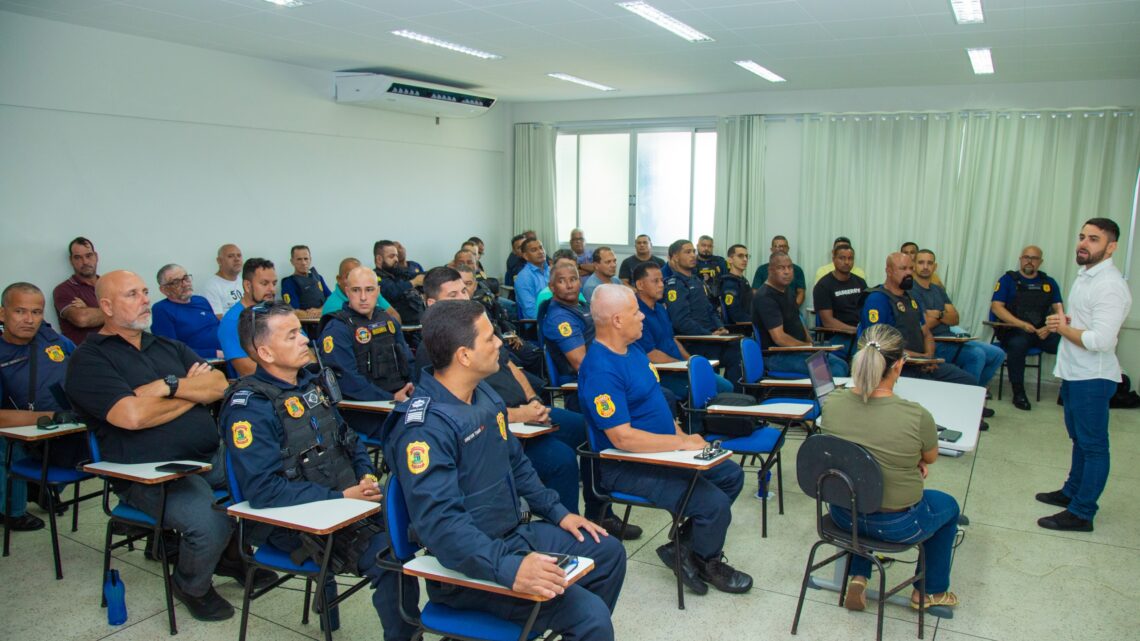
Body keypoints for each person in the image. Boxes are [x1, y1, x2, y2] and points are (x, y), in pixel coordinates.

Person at [383, 299, 626, 640]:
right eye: (489, 338)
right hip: (468, 567)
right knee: (591, 617)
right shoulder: (424, 429)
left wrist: (559, 514)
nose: (500, 342)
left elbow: (516, 462)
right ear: (464, 356)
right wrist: (510, 568)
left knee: (608, 551)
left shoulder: (481, 394)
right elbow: (443, 527)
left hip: (512, 535)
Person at [65, 270, 273, 622]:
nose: (145, 299)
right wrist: (190, 395)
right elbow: (131, 416)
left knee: (269, 475)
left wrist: (166, 386)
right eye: (133, 294)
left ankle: (228, 554)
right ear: (106, 306)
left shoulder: (165, 345)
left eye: (145, 292)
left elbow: (219, 384)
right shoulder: (89, 360)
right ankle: (191, 583)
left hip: (208, 454)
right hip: (150, 470)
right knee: (209, 519)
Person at [221, 301, 419, 641]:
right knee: (392, 559)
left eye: (301, 331)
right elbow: (263, 491)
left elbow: (349, 439)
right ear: (265, 352)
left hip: (344, 502)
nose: (304, 340)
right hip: (295, 524)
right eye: (293, 335)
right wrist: (342, 497)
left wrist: (364, 475)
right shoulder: (250, 409)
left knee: (427, 522)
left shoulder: (309, 385)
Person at [416, 268, 641, 540]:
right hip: (500, 427)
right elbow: (464, 412)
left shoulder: (479, 329)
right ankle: (565, 531)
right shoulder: (436, 348)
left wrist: (533, 400)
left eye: (465, 290)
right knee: (561, 459)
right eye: (453, 295)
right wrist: (519, 414)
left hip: (522, 411)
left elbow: (511, 366)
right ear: (431, 304)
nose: (464, 297)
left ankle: (599, 509)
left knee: (589, 427)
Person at [579, 284, 752, 595]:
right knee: (712, 504)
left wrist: (681, 435)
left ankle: (683, 549)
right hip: (627, 465)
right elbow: (622, 438)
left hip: (664, 451)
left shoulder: (632, 351)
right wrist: (682, 445)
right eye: (635, 312)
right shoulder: (600, 369)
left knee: (730, 475)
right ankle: (707, 559)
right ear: (617, 320)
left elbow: (655, 404)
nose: (642, 317)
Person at [821, 323, 960, 612]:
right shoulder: (916, 414)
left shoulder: (832, 403)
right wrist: (912, 460)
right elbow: (931, 457)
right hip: (897, 526)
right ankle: (929, 592)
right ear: (899, 365)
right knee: (949, 507)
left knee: (863, 491)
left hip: (842, 515)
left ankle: (858, 575)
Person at [1037, 218, 1132, 532]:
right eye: (1081, 236)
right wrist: (1066, 321)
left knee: (1093, 446)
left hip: (1094, 377)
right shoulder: (1086, 276)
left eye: (1093, 239)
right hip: (1076, 373)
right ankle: (1071, 492)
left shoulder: (1110, 285)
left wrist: (1063, 327)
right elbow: (1084, 323)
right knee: (1079, 440)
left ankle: (1082, 512)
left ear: (1111, 247)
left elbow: (1101, 340)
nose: (1083, 243)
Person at [0, 282, 88, 532]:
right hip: (24, 430)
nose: (29, 319)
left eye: (36, 312)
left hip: (70, 424)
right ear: (2, 313)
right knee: (7, 447)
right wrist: (51, 416)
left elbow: (84, 363)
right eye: (20, 311)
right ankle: (12, 512)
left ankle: (39, 487)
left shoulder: (52, 339)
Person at [858, 254, 978, 387]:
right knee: (934, 388)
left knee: (970, 383)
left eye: (911, 268)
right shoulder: (877, 299)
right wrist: (921, 359)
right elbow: (879, 345)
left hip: (920, 363)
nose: (909, 272)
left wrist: (929, 357)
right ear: (889, 271)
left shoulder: (911, 299)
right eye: (903, 268)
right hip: (894, 369)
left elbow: (926, 333)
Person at [319, 266, 414, 411]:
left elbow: (408, 361)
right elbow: (348, 382)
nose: (363, 297)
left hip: (402, 398)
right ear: (347, 291)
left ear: (378, 291)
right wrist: (391, 398)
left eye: (369, 289)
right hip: (368, 408)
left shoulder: (388, 320)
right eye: (356, 290)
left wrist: (415, 388)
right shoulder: (337, 329)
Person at [633, 263, 732, 401]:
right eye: (655, 281)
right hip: (661, 374)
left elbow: (672, 339)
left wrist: (689, 361)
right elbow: (650, 354)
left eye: (662, 280)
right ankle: (695, 422)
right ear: (640, 285)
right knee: (706, 389)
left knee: (726, 386)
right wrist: (680, 365)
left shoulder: (660, 309)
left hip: (678, 368)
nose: (662, 285)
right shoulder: (635, 313)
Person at [911, 250, 1004, 391]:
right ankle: (967, 399)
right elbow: (925, 324)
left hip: (951, 339)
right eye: (921, 262)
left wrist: (938, 315)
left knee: (998, 354)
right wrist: (944, 315)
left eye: (929, 263)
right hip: (934, 343)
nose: (925, 266)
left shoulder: (938, 290)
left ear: (935, 267)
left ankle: (976, 394)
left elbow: (955, 318)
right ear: (914, 265)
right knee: (976, 355)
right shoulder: (911, 290)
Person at [990, 245, 1064, 410]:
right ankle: (1018, 392)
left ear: (1040, 262)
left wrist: (1050, 328)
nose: (1030, 261)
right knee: (1018, 345)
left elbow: (1059, 310)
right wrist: (1021, 324)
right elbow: (996, 307)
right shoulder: (1007, 280)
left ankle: (1066, 389)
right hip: (1015, 330)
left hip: (1042, 332)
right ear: (1020, 259)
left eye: (1034, 258)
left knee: (1068, 343)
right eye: (1026, 257)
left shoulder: (1049, 283)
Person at [753, 252, 849, 377]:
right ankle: (821, 397)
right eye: (781, 268)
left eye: (790, 267)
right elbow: (779, 338)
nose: (787, 272)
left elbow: (797, 320)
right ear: (770, 270)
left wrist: (811, 345)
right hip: (777, 356)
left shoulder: (787, 290)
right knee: (835, 371)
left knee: (843, 365)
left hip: (798, 351)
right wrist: (808, 347)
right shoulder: (765, 297)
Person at [664, 239, 743, 386]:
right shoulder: (675, 284)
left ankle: (734, 397)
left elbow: (710, 309)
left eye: (693, 251)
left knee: (739, 348)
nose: (693, 255)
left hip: (710, 338)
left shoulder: (696, 281)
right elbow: (681, 322)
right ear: (675, 257)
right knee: (734, 352)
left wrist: (720, 327)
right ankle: (724, 398)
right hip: (694, 342)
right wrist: (709, 335)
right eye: (687, 252)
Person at [219, 258, 278, 377]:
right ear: (247, 285)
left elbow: (305, 351)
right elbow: (248, 370)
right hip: (261, 389)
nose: (272, 289)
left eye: (274, 283)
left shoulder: (279, 313)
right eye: (264, 283)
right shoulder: (232, 322)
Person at [151, 264, 221, 359]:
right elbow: (172, 351)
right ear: (164, 290)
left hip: (228, 351)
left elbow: (218, 329)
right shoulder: (161, 310)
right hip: (205, 361)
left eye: (186, 278)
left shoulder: (201, 300)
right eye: (176, 282)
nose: (185, 284)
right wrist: (214, 353)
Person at [541, 263, 593, 385]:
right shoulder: (560, 318)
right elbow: (581, 364)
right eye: (562, 281)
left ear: (580, 282)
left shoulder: (583, 305)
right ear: (552, 287)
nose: (569, 286)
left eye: (573, 279)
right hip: (582, 382)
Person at [52, 236, 103, 344]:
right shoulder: (64, 290)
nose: (85, 262)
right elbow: (82, 319)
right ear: (71, 260)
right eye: (78, 257)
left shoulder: (110, 284)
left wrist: (89, 309)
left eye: (89, 255)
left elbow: (131, 315)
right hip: (87, 354)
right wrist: (117, 311)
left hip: (119, 348)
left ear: (96, 257)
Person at [812, 243, 868, 339]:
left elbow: (866, 310)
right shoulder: (823, 286)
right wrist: (856, 331)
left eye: (850, 258)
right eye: (842, 258)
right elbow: (828, 322)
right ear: (833, 260)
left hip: (861, 333)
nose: (846, 262)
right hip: (838, 336)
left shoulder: (860, 282)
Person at [322, 257, 398, 321]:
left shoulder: (372, 292)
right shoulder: (333, 307)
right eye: (348, 276)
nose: (354, 280)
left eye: (359, 276)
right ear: (339, 279)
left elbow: (395, 317)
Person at [374, 240, 426, 327]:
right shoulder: (375, 277)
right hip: (402, 329)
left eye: (396, 256)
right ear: (379, 259)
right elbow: (391, 291)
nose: (396, 259)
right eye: (392, 256)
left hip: (420, 324)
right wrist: (414, 282)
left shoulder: (397, 272)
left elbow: (413, 275)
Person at [751, 236, 806, 306]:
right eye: (778, 246)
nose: (781, 249)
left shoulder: (797, 270)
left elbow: (801, 293)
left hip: (791, 310)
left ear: (788, 249)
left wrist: (792, 309)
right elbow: (755, 292)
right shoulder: (762, 269)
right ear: (772, 249)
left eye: (784, 246)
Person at [280, 245, 330, 313]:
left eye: (306, 259)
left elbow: (331, 299)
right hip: (305, 322)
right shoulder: (289, 283)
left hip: (324, 319)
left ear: (310, 259)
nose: (303, 263)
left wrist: (320, 310)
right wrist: (312, 314)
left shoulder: (318, 278)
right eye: (299, 259)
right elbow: (294, 311)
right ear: (292, 261)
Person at [200, 244, 244, 318]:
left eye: (239, 255)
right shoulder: (211, 287)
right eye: (230, 256)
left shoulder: (243, 281)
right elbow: (218, 319)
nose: (237, 259)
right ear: (219, 261)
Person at [514, 237, 551, 320]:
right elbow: (531, 312)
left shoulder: (550, 270)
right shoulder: (524, 278)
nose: (541, 252)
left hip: (555, 316)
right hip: (537, 325)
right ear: (526, 256)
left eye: (541, 247)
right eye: (534, 250)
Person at [717, 244, 752, 324]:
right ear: (730, 260)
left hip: (749, 326)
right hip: (738, 330)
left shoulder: (743, 280)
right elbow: (736, 316)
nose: (745, 259)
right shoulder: (730, 283)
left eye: (746, 256)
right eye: (740, 256)